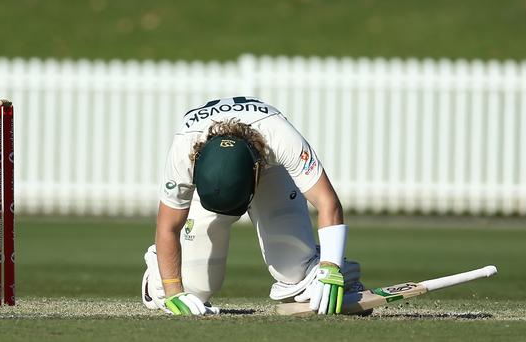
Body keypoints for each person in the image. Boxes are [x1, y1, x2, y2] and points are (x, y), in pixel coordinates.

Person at [141, 96, 365, 315]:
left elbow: (328, 202)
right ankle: (156, 279)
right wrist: (172, 291)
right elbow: (167, 227)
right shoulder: (184, 150)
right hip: (215, 173)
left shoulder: (280, 137)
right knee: (193, 288)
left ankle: (335, 274)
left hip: (270, 164)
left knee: (293, 271)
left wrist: (331, 265)